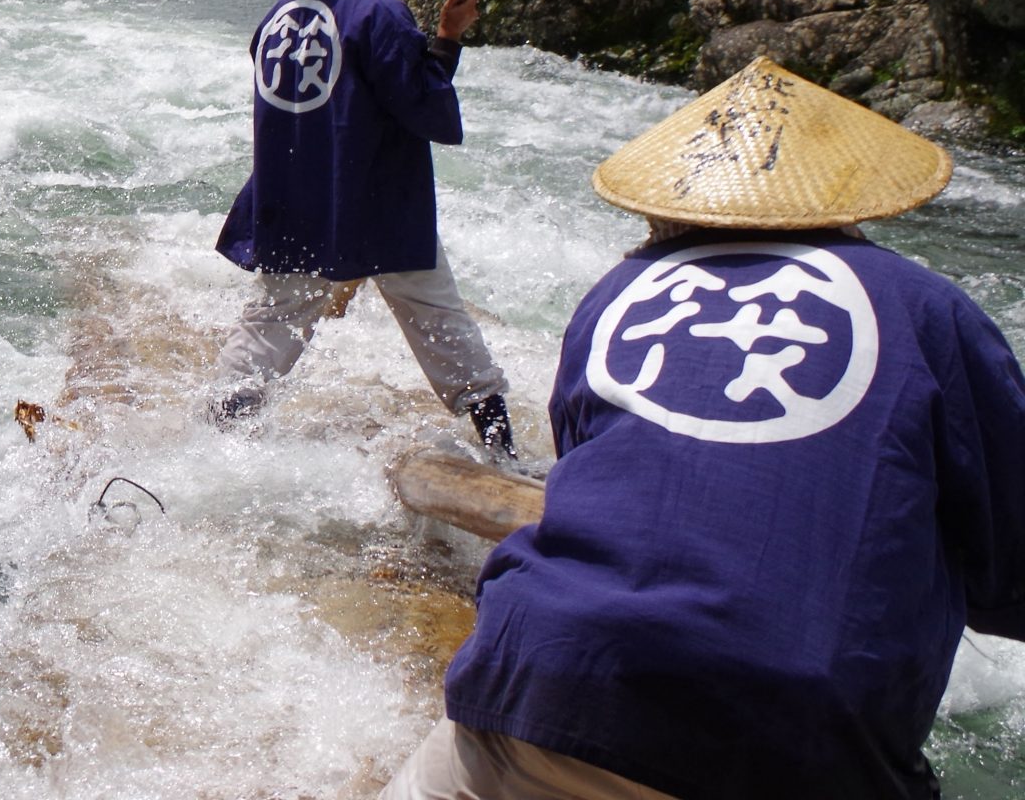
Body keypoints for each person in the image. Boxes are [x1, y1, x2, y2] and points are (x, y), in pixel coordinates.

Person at [387, 57, 1025, 800]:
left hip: (536, 677)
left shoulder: (619, 292)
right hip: (795, 736)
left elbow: (598, 481)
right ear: (848, 198)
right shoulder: (928, 307)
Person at [210, 0, 513, 457]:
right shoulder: (380, 12)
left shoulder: (278, 15)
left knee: (273, 320)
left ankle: (216, 436)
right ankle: (502, 449)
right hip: (372, 197)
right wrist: (449, 38)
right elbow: (421, 107)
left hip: (292, 191)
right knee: (437, 318)